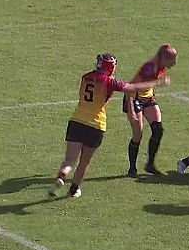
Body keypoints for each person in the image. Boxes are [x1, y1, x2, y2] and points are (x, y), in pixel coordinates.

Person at [49, 53, 168, 198]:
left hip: (77, 121)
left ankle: (62, 176)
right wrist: (155, 83)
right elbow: (132, 87)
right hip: (96, 125)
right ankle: (73, 190)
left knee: (69, 161)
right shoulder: (109, 82)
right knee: (84, 162)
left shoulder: (85, 77)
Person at [124, 43, 178, 177]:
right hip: (134, 98)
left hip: (148, 98)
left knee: (158, 129)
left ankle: (150, 164)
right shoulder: (149, 68)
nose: (174, 64)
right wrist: (130, 109)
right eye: (172, 60)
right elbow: (131, 87)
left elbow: (149, 84)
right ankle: (132, 169)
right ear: (163, 58)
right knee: (138, 135)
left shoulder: (161, 65)